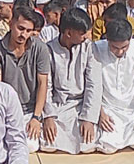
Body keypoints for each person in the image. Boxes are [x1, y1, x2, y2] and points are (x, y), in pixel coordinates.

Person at [92, 19, 134, 153]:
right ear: (107, 41)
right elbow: (92, 84)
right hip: (107, 107)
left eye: (124, 47)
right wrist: (99, 113)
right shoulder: (96, 49)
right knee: (108, 147)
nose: (120, 52)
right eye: (115, 48)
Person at [41, 9, 102, 154]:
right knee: (47, 142)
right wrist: (48, 116)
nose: (86, 36)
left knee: (89, 143)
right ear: (68, 33)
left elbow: (94, 84)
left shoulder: (89, 47)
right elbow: (46, 86)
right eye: (82, 33)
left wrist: (89, 118)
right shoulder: (48, 50)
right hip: (58, 105)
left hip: (81, 105)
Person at [0, 5, 51, 152]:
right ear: (11, 24)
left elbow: (43, 83)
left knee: (30, 146)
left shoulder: (40, 48)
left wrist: (36, 117)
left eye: (28, 31)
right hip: (6, 110)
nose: (23, 34)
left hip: (30, 110)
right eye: (20, 28)